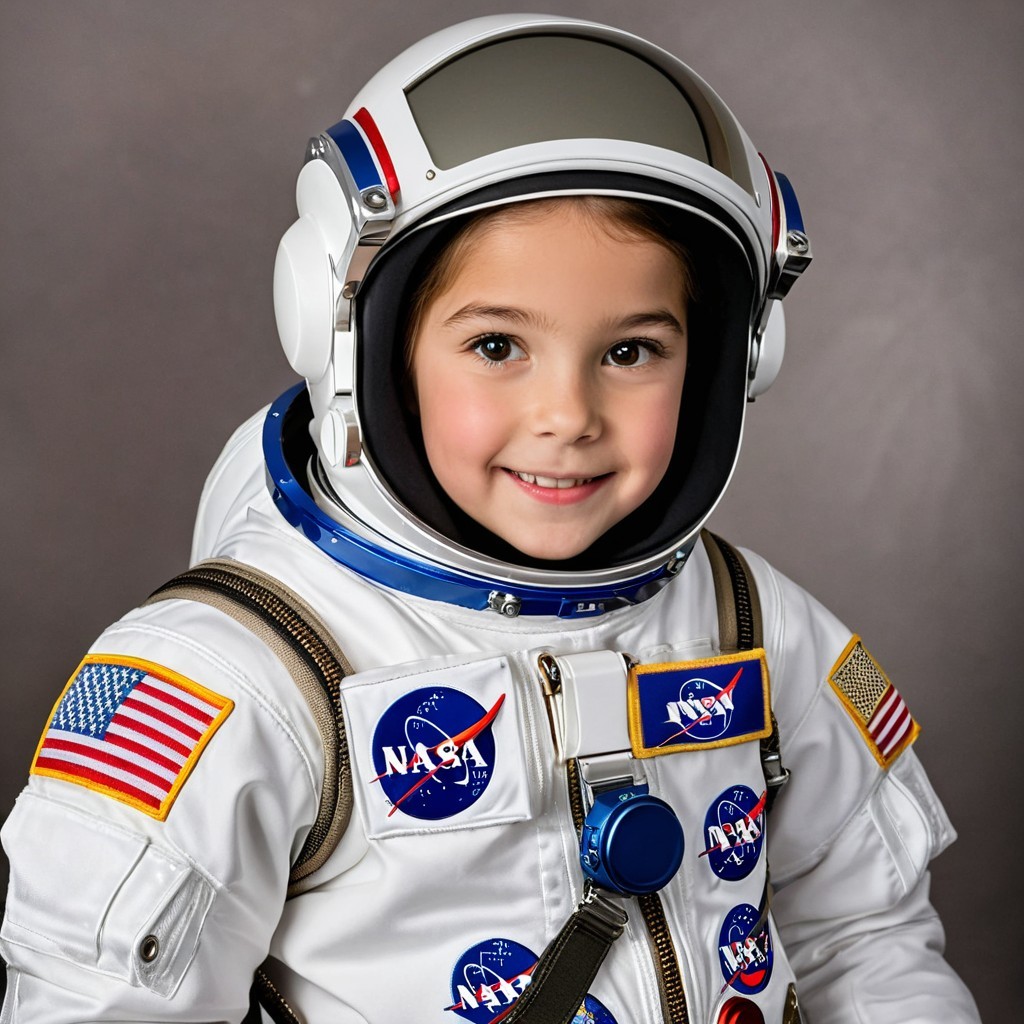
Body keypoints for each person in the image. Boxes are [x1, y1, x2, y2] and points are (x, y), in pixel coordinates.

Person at [0, 14, 981, 1024]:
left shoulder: (755, 626)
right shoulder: (234, 681)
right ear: (354, 341)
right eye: (498, 347)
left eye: (631, 351)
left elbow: (867, 944)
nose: (568, 416)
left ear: (738, 358)